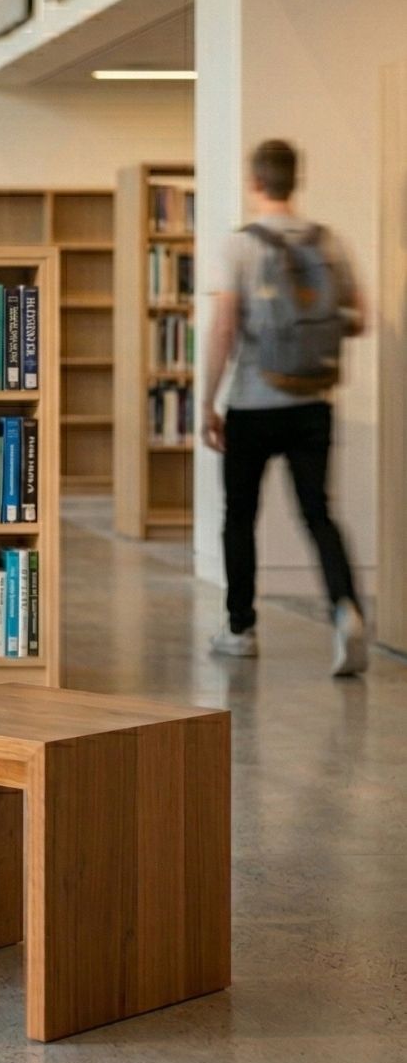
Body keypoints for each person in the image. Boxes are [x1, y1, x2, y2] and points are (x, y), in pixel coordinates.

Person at [201, 139, 368, 676]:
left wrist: (207, 403)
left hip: (253, 404)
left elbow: (224, 330)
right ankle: (346, 609)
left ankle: (240, 628)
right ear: (296, 180)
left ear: (255, 182)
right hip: (312, 404)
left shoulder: (240, 247)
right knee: (318, 513)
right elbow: (359, 319)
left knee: (240, 516)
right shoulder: (329, 242)